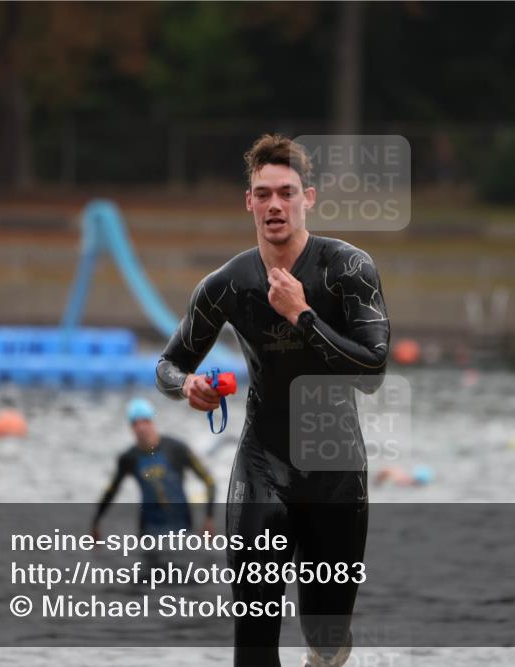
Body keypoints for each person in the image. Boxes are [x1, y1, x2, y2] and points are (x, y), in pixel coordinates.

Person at [156, 134, 390, 667]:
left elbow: (373, 371)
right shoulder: (227, 284)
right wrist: (187, 387)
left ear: (309, 198)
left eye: (286, 193)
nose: (275, 205)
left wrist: (302, 315)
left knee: (325, 639)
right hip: (262, 465)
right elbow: (168, 366)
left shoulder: (348, 269)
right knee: (254, 641)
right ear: (249, 202)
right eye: (263, 194)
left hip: (335, 473)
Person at [91, 398, 216, 540]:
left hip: (182, 527)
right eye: (135, 423)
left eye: (145, 421)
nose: (141, 428)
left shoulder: (176, 448)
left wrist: (209, 518)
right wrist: (96, 522)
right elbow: (111, 491)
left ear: (152, 422)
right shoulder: (128, 458)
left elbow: (209, 480)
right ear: (131, 428)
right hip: (149, 532)